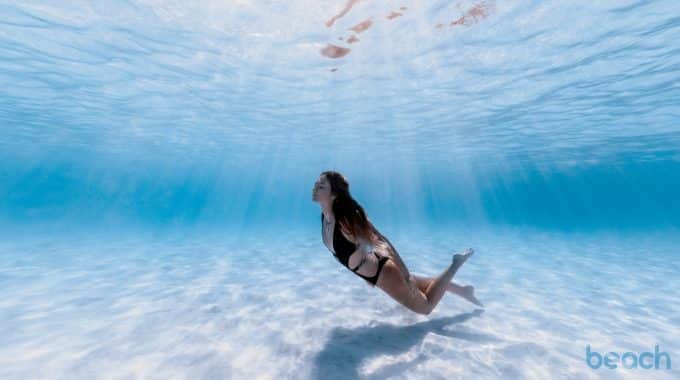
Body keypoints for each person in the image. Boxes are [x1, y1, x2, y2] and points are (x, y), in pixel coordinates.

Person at [312, 170, 483, 315]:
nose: (315, 187)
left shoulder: (346, 220)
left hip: (384, 274)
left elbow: (381, 240)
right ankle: (464, 291)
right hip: (375, 268)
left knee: (426, 307)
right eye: (316, 183)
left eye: (321, 186)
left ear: (334, 194)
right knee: (423, 286)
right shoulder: (325, 217)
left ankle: (456, 263)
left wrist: (404, 272)